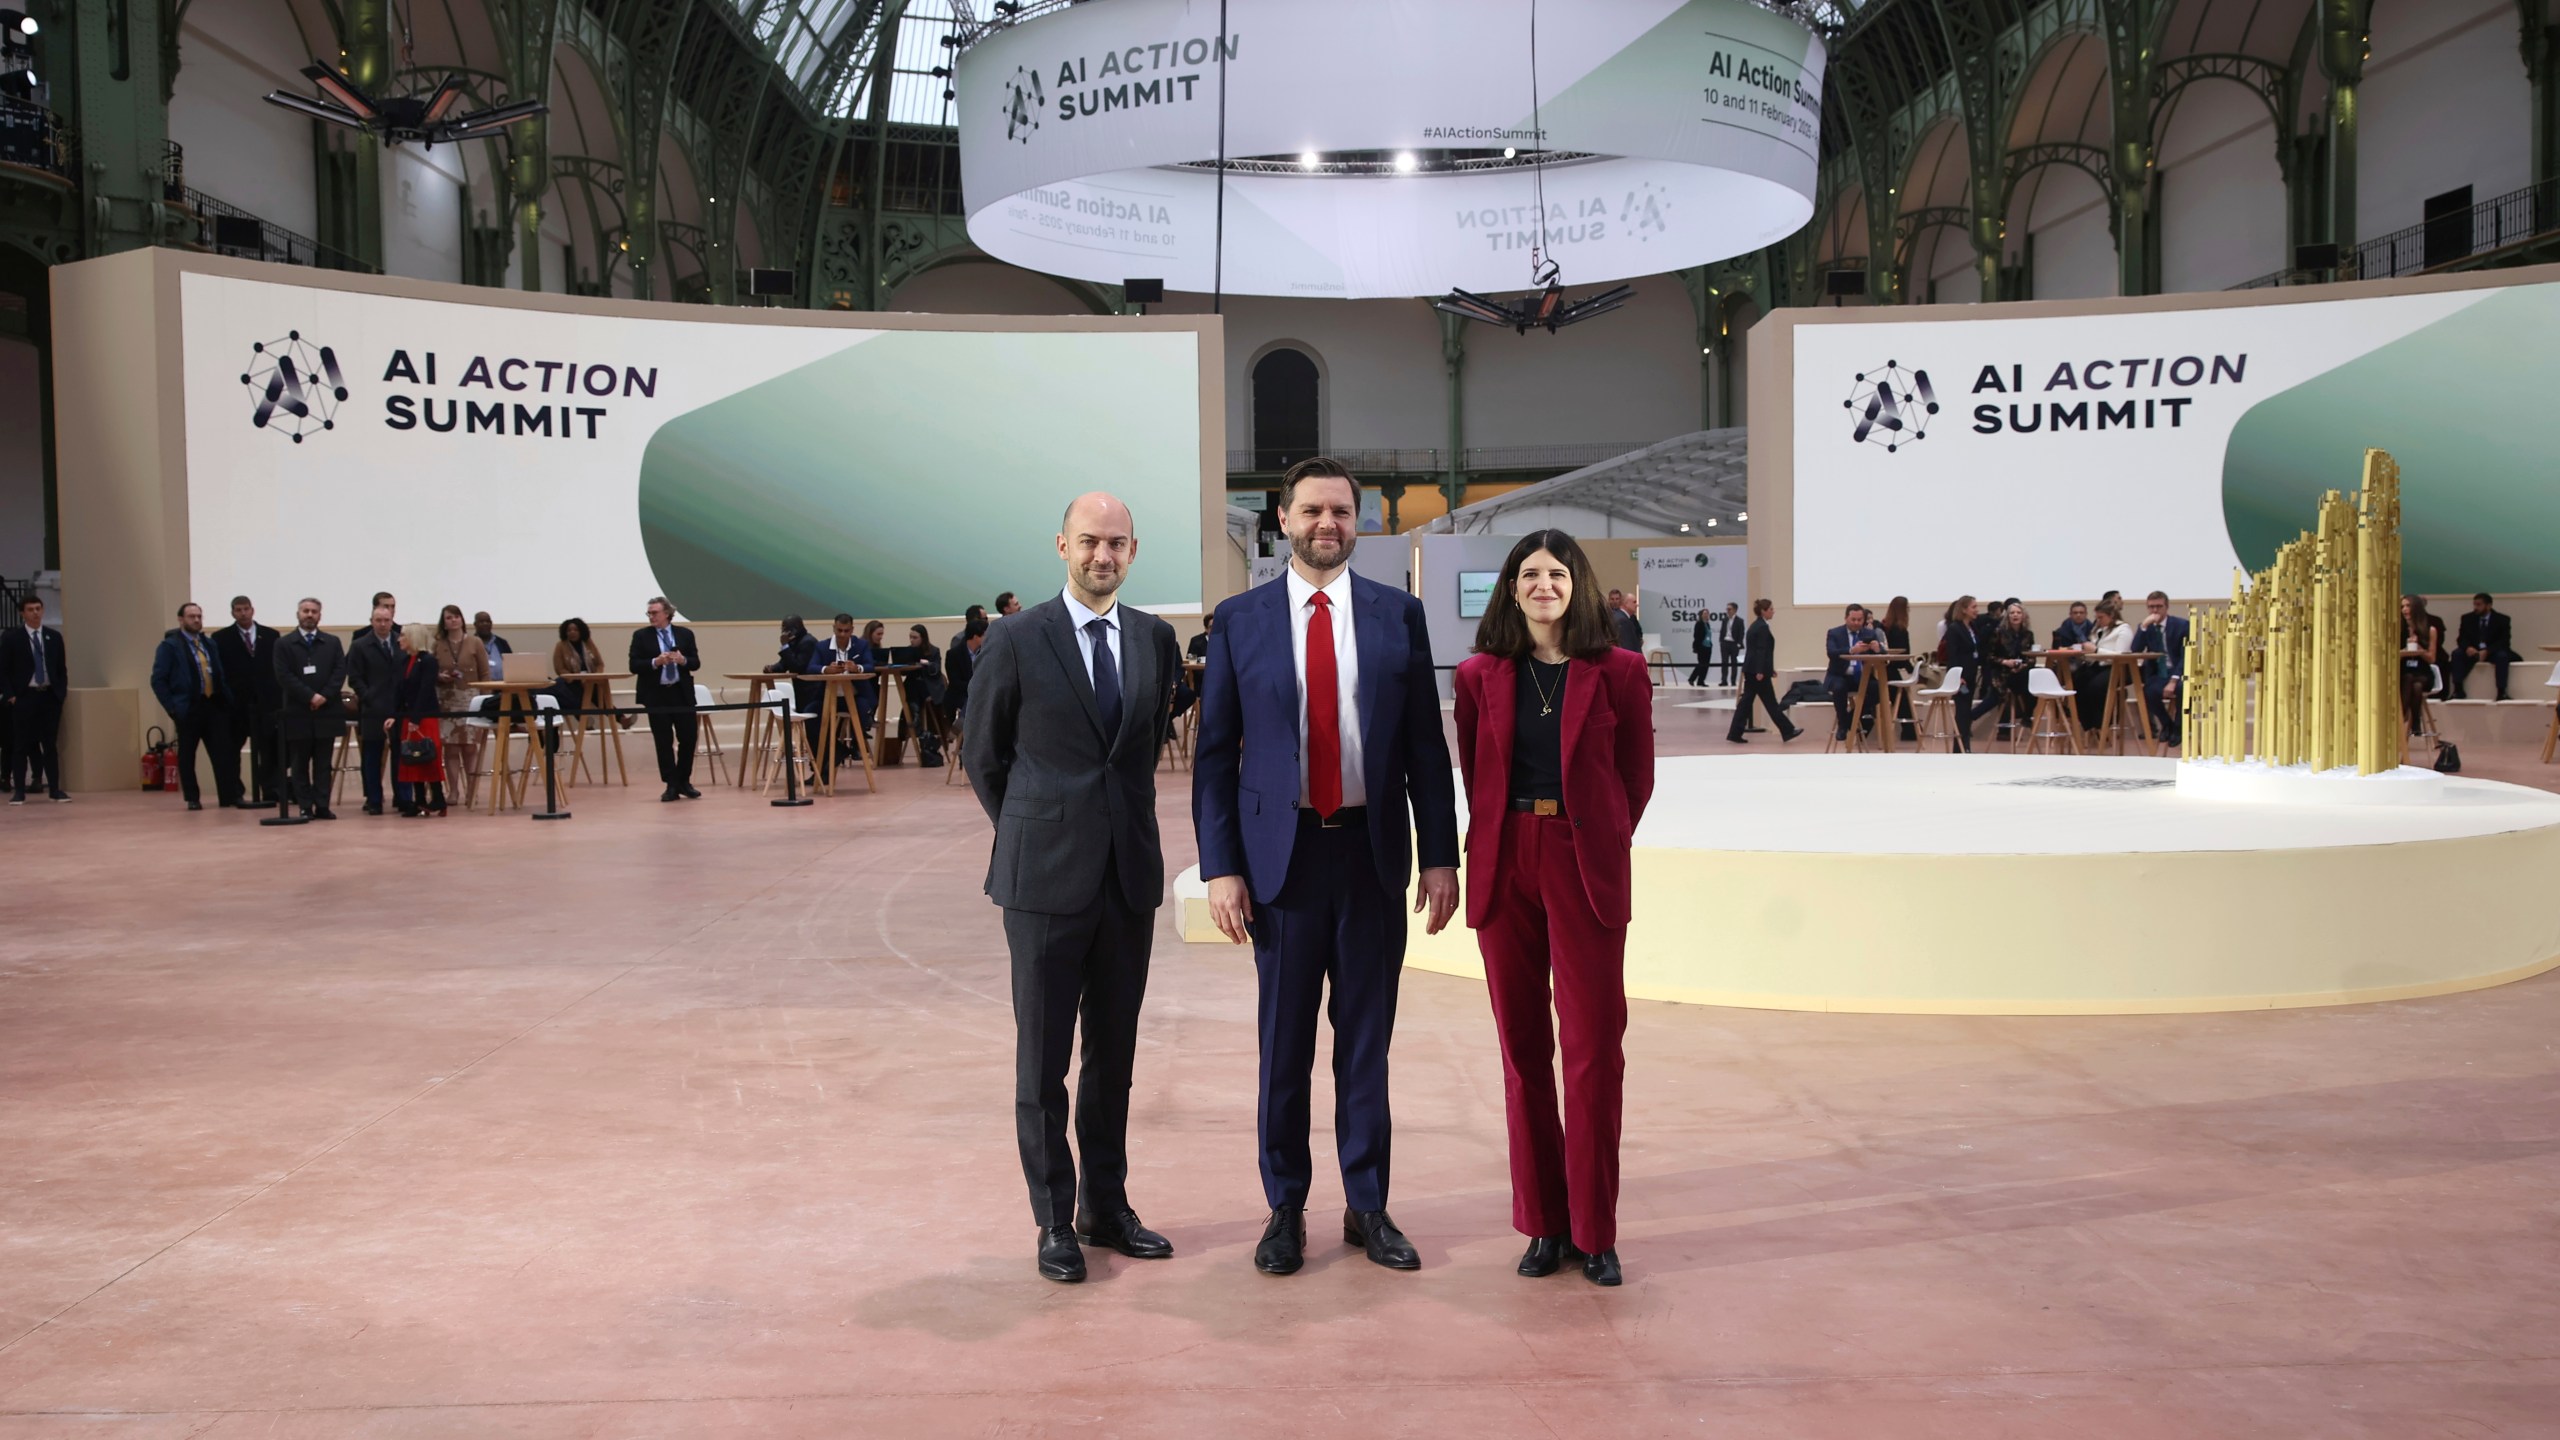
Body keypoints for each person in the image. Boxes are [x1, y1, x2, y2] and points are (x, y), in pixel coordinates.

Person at [1194, 456, 1461, 1277]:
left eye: (1341, 511)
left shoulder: (1398, 617)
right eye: (1312, 510)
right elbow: (1213, 758)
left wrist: (1442, 856)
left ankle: (1368, 1204)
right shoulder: (1240, 620)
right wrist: (1221, 867)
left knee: (1365, 1042)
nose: (1327, 524)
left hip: (1373, 856)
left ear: (1358, 521)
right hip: (1282, 862)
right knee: (1284, 1044)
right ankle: (1284, 1208)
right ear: (1283, 519)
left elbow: (1424, 744)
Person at [964, 491, 1184, 1284]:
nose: (1103, 555)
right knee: (1043, 1059)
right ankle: (1054, 1218)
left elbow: (1145, 742)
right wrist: (1037, 828)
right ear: (1062, 544)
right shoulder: (1018, 639)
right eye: (1089, 541)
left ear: (1133, 551)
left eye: (1117, 543)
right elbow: (983, 754)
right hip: (1044, 880)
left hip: (1127, 877)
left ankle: (1105, 1206)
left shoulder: (1155, 640)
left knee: (1113, 1057)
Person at [1453, 530, 1655, 1287]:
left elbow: (1637, 778)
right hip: (1507, 866)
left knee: (1596, 1049)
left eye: (1558, 572)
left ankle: (1595, 1230)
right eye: (1530, 574)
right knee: (1523, 1053)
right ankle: (1543, 1224)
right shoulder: (1479, 677)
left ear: (1579, 585)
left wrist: (1596, 838)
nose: (1545, 584)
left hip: (1583, 865)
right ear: (1512, 589)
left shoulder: (1622, 673)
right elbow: (1478, 775)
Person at [150, 603, 242, 811]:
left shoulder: (209, 644)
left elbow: (219, 673)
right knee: (188, 753)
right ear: (181, 620)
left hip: (214, 704)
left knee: (222, 753)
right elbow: (158, 680)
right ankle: (192, 797)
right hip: (189, 706)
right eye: (192, 616)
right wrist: (172, 708)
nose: (197, 620)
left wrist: (227, 700)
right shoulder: (170, 646)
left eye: (199, 616)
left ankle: (228, 795)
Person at [274, 598, 346, 820]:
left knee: (324, 763)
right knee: (299, 762)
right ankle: (305, 805)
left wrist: (324, 696)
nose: (309, 614)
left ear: (320, 616)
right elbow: (284, 676)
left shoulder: (332, 643)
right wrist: (310, 696)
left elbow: (339, 672)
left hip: (327, 711)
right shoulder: (284, 644)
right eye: (305, 611)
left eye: (314, 611)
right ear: (298, 614)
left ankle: (322, 804)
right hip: (298, 711)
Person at [628, 597, 701, 801]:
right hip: (656, 694)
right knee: (663, 740)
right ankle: (671, 784)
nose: (651, 617)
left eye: (655, 613)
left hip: (681, 693)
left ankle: (684, 781)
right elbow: (634, 665)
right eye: (649, 613)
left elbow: (695, 662)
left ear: (667, 613)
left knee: (688, 738)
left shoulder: (685, 634)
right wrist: (655, 661)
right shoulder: (641, 636)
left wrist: (682, 660)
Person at [214, 596, 282, 806]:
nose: (243, 613)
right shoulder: (221, 638)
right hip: (236, 705)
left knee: (268, 750)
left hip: (265, 703)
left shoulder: (271, 636)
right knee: (232, 750)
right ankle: (234, 791)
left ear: (252, 610)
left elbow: (276, 669)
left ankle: (269, 789)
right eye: (238, 610)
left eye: (246, 609)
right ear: (232, 612)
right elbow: (219, 672)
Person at [1, 596, 67, 803]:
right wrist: (11, 695)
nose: (35, 613)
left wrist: (60, 693)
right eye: (30, 609)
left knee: (49, 744)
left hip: (48, 696)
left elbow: (60, 669)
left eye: (38, 608)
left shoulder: (54, 637)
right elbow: (3, 670)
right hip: (24, 696)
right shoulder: (13, 638)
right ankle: (19, 790)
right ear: (23, 613)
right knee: (21, 744)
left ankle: (55, 789)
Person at [345, 604, 408, 816]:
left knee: (400, 754)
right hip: (372, 708)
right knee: (372, 755)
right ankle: (374, 799)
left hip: (398, 707)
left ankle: (402, 796)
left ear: (392, 620)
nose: (382, 624)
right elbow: (354, 677)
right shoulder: (361, 645)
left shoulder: (402, 642)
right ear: (372, 621)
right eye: (378, 620)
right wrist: (368, 696)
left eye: (386, 620)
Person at [393, 624, 450, 817]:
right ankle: (419, 801)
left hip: (424, 716)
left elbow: (425, 691)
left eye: (403, 636)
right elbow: (401, 692)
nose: (399, 639)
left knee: (428, 756)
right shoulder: (405, 661)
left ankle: (438, 798)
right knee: (411, 757)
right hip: (408, 716)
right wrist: (394, 716)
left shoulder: (428, 661)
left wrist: (416, 718)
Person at [1725, 599, 1800, 744]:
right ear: (1763, 611)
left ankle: (1734, 732)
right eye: (1771, 609)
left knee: (1747, 702)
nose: (1773, 611)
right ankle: (1787, 730)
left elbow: (1760, 651)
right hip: (1757, 672)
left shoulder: (1758, 626)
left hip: (1754, 670)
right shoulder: (1761, 627)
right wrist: (1761, 670)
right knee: (1769, 703)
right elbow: (1760, 651)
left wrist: (1768, 669)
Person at [805, 613, 876, 763]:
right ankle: (837, 751)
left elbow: (871, 666)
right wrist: (826, 669)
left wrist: (857, 668)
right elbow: (811, 667)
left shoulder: (861, 645)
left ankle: (855, 746)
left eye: (846, 631)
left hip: (856, 696)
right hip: (828, 697)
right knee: (809, 715)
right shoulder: (822, 646)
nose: (842, 634)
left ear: (852, 630)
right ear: (834, 628)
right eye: (839, 630)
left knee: (864, 714)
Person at [432, 606, 490, 783]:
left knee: (470, 747)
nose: (453, 620)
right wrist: (439, 676)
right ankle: (454, 790)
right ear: (444, 623)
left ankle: (472, 790)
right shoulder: (438, 644)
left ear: (462, 620)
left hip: (470, 699)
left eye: (456, 617)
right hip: (447, 699)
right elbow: (429, 671)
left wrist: (485, 699)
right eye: (449, 618)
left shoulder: (475, 642)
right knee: (450, 748)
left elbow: (485, 672)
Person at [1936, 595, 2001, 752]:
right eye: (1973, 607)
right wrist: (1958, 677)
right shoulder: (1954, 629)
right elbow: (1953, 655)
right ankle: (1960, 747)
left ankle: (1965, 746)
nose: (1977, 610)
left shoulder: (1972, 627)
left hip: (1971, 674)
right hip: (1962, 676)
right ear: (1964, 609)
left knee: (1965, 711)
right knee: (1962, 712)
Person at [2131, 591, 2188, 748]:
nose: (2155, 611)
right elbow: (2135, 649)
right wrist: (2143, 626)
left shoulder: (2182, 625)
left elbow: (2186, 656)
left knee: (2184, 689)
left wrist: (2173, 680)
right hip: (2159, 673)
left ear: (2166, 607)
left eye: (2158, 606)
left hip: (2178, 671)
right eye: (2151, 607)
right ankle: (2166, 723)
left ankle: (2178, 727)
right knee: (2148, 692)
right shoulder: (2146, 627)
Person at [1822, 603, 1886, 742]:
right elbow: (1832, 653)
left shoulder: (1869, 633)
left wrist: (1877, 649)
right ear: (1846, 618)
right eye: (1853, 620)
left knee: (1879, 689)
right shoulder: (1834, 633)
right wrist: (1851, 650)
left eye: (1859, 620)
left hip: (1862, 676)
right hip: (1840, 674)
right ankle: (1843, 726)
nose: (1857, 623)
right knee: (1839, 688)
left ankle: (1848, 720)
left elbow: (1884, 655)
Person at [2072, 599, 2134, 733]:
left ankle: (2102, 724)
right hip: (2097, 664)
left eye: (2101, 617)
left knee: (2096, 687)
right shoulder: (2099, 629)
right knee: (2077, 681)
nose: (2098, 620)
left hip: (2116, 667)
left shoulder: (2123, 629)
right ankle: (2087, 724)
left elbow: (2119, 655)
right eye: (2097, 617)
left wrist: (2095, 650)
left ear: (2111, 615)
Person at [2452, 593, 2519, 701]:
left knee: (2502, 656)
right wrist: (2468, 647)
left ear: (2489, 606)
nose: (2476, 608)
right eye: (2474, 604)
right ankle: (2458, 690)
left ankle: (2501, 692)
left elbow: (2504, 641)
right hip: (2473, 651)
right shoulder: (2467, 618)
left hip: (2492, 651)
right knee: (2457, 654)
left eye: (2479, 605)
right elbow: (2461, 639)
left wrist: (2488, 651)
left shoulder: (2502, 619)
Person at [1985, 602, 2038, 737]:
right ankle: (2025, 716)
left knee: (2036, 676)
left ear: (2023, 616)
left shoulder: (2028, 634)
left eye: (2018, 613)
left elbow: (2032, 657)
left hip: (2021, 671)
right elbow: (1989, 657)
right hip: (2003, 673)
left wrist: (2024, 665)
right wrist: (2005, 662)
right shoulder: (1998, 633)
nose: (2015, 615)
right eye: (2012, 613)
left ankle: (2027, 715)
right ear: (2007, 616)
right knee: (2027, 680)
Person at [2401, 594, 2445, 735]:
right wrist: (2404, 651)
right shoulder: (2398, 629)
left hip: (2422, 672)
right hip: (2404, 670)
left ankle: (2405, 718)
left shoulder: (2430, 630)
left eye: (2408, 606)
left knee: (2417, 683)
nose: (2404, 609)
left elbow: (2431, 658)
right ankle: (2414, 722)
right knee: (2409, 679)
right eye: (2402, 606)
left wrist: (2419, 649)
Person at [908, 624, 947, 767]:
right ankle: (915, 714)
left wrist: (928, 664)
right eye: (910, 637)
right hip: (915, 686)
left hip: (930, 688)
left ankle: (915, 715)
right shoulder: (909, 651)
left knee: (917, 686)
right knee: (914, 685)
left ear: (922, 638)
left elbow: (936, 671)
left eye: (915, 637)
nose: (912, 640)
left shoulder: (934, 650)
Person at [550, 617, 605, 715]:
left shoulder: (588, 643)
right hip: (572, 681)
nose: (572, 632)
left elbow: (599, 664)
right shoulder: (561, 646)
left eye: (575, 630)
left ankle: (621, 718)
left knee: (596, 692)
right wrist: (575, 678)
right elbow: (559, 668)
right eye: (569, 630)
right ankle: (584, 720)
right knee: (575, 692)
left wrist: (596, 676)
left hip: (590, 679)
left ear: (581, 631)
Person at [1879, 596, 1916, 741]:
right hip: (1893, 669)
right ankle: (1909, 731)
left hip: (1886, 668)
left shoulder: (1885, 626)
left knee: (1900, 700)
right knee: (1902, 700)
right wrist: (1912, 670)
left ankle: (1910, 731)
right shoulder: (1900, 629)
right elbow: (1903, 654)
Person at [945, 616, 986, 723]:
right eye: (986, 635)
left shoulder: (986, 653)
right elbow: (955, 682)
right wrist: (975, 687)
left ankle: (957, 734)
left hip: (982, 692)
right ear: (976, 637)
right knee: (971, 701)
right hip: (961, 692)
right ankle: (960, 735)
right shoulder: (953, 654)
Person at [472, 612, 512, 680]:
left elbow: (511, 664)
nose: (485, 624)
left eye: (488, 621)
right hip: (480, 687)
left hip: (503, 687)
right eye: (481, 622)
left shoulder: (502, 642)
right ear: (475, 624)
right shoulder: (470, 643)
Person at [1717, 602, 1746, 687]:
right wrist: (1721, 641)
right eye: (1727, 609)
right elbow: (1722, 631)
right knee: (1724, 662)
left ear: (1735, 610)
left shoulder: (1740, 621)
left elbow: (1741, 633)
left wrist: (1739, 643)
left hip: (1734, 644)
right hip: (1725, 643)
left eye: (1729, 609)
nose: (1728, 611)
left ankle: (1733, 680)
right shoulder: (1725, 620)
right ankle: (1724, 680)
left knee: (1734, 663)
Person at [1687, 609, 1712, 688]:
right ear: (1701, 615)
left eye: (1707, 613)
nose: (1706, 615)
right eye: (1704, 613)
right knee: (1701, 664)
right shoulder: (1699, 624)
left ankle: (1701, 681)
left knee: (1706, 665)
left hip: (1708, 646)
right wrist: (1697, 647)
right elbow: (1696, 636)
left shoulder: (1707, 624)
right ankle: (1692, 678)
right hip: (1701, 646)